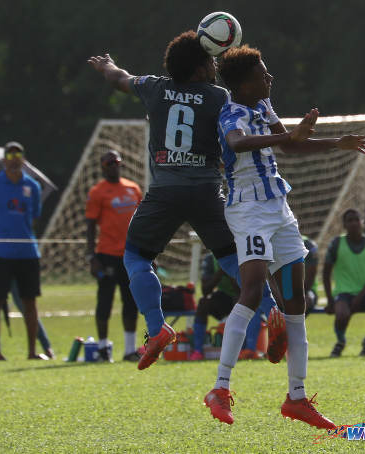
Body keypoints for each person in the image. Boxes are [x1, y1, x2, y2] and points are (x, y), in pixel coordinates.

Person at [203, 45, 365, 427]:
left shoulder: (264, 107)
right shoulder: (232, 112)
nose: (270, 78)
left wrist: (336, 143)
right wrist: (283, 138)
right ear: (245, 83)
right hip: (248, 209)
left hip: (279, 207)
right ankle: (220, 387)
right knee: (250, 290)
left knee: (296, 304)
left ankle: (297, 398)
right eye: (264, 74)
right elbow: (236, 143)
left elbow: (292, 144)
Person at [88, 31, 278, 371]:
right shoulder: (219, 96)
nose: (213, 67)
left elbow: (120, 79)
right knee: (233, 259)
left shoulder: (154, 87)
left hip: (165, 193)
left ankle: (156, 327)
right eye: (209, 61)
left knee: (135, 257)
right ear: (198, 67)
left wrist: (107, 66)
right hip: (207, 192)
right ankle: (273, 311)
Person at [0, 141, 47, 360]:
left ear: (23, 159)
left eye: (17, 155)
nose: (14, 159)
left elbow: (34, 217)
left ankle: (32, 352)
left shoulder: (33, 186)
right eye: (10, 156)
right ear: (4, 160)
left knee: (30, 301)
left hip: (27, 252)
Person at [86, 150, 142, 362]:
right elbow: (90, 225)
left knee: (131, 302)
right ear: (102, 166)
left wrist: (148, 250)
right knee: (105, 302)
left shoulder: (132, 188)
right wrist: (91, 256)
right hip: (107, 254)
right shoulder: (98, 192)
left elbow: (142, 221)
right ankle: (102, 348)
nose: (113, 166)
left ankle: (129, 349)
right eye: (109, 163)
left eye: (116, 162)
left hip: (130, 254)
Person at [323, 209, 365, 357]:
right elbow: (325, 272)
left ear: (363, 222)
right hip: (343, 293)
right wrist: (329, 300)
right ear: (344, 225)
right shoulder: (336, 243)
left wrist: (360, 297)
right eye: (350, 220)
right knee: (341, 314)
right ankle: (340, 342)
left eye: (357, 219)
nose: (354, 223)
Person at [190, 252, 239, 360]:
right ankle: (198, 350)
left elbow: (240, 289)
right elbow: (205, 291)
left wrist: (230, 273)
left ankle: (243, 348)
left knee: (238, 301)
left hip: (244, 297)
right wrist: (221, 271)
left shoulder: (240, 254)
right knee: (203, 303)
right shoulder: (210, 259)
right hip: (224, 297)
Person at [303, 235, 319, 316]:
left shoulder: (308, 244)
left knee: (303, 301)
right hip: (280, 290)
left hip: (307, 290)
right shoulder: (274, 241)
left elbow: (311, 274)